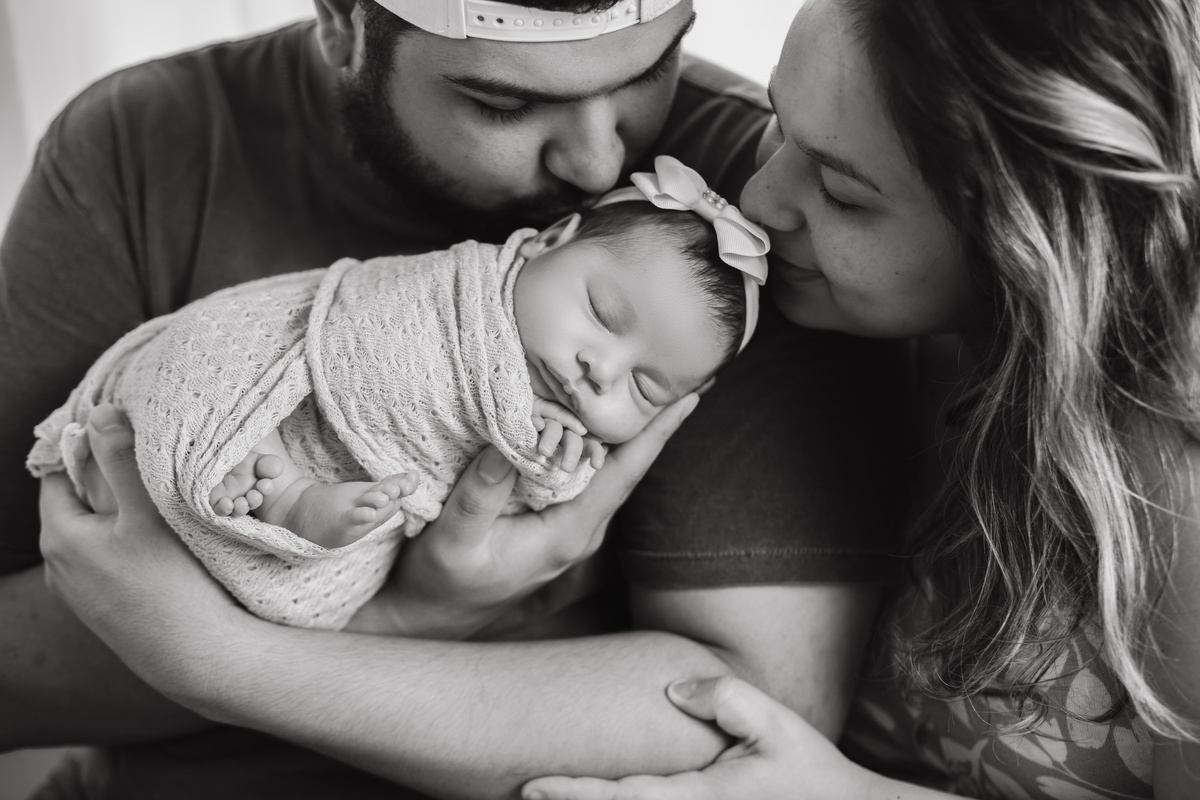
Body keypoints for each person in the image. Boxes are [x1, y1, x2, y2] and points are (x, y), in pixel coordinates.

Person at [1, 0, 911, 797]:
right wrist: (409, 618)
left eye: (649, 70)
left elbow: (753, 734)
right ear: (343, 19)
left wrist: (224, 654)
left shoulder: (736, 239)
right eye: (503, 103)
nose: (600, 162)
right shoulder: (144, 143)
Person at [513, 0, 1200, 798]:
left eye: (842, 194)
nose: (758, 200)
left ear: (1030, 238)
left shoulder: (1174, 468)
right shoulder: (842, 311)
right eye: (777, 121)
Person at [28, 171, 769, 630]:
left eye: (644, 387)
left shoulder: (571, 435)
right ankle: (248, 460)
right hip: (278, 386)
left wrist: (537, 462)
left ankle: (288, 499)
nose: (599, 370)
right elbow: (367, 340)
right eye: (602, 314)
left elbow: (500, 508)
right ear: (550, 241)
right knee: (207, 365)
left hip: (336, 527)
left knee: (348, 540)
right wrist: (502, 409)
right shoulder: (453, 290)